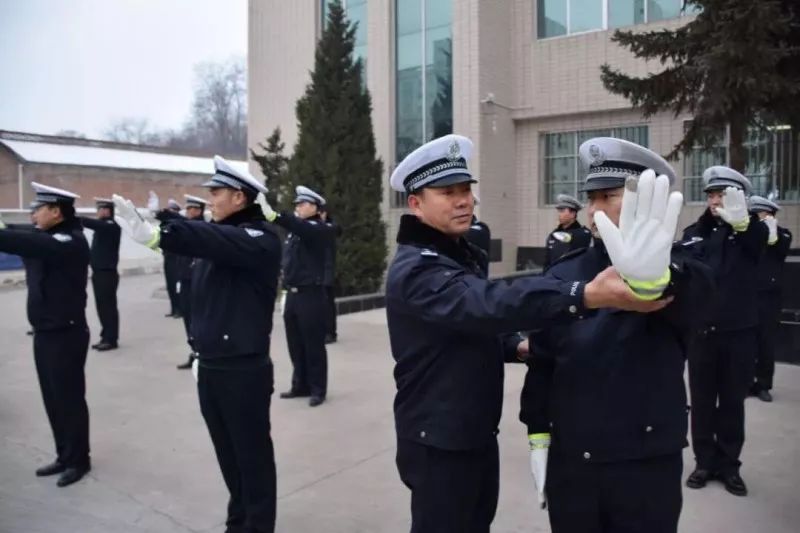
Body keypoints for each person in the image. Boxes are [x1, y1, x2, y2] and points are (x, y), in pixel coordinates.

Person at [384, 134, 671, 533]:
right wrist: (583, 294)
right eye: (448, 192)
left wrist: (518, 346)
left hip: (470, 431)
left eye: (466, 189)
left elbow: (466, 325)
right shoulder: (418, 268)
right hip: (438, 439)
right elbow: (484, 304)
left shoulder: (456, 253)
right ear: (415, 203)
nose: (464, 200)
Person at [519, 138, 714, 533]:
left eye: (609, 196)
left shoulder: (679, 267)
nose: (595, 211)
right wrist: (538, 432)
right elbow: (542, 361)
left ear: (645, 200)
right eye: (591, 198)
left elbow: (699, 302)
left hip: (644, 463)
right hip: (575, 463)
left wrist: (655, 278)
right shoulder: (565, 272)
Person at [113, 156, 282, 533]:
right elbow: (205, 242)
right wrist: (161, 221)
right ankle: (238, 521)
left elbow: (215, 239)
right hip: (211, 365)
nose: (210, 201)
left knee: (251, 458)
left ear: (240, 197)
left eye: (217, 193)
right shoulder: (220, 239)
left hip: (243, 370)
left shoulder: (259, 238)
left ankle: (258, 526)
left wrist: (160, 233)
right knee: (228, 456)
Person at [683, 166, 768, 497]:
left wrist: (743, 223)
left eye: (722, 194)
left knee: (732, 402)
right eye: (711, 195)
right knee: (703, 402)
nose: (715, 200)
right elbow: (686, 262)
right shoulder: (696, 231)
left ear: (739, 198)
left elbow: (759, 247)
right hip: (702, 332)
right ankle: (704, 462)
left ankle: (730, 465)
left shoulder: (753, 231)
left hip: (739, 332)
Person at [0, 182, 92, 487]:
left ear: (56, 211)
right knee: (52, 399)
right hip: (44, 332)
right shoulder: (44, 237)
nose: (33, 216)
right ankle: (64, 455)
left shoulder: (71, 241)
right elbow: (21, 239)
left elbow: (29, 244)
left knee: (69, 400)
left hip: (66, 334)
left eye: (38, 210)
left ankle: (79, 460)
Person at [260, 186, 334, 407]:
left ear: (314, 207)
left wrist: (276, 216)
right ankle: (300, 384)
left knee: (313, 345)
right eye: (297, 204)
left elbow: (299, 226)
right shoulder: (297, 230)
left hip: (310, 294)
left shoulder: (318, 229)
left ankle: (318, 389)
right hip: (291, 294)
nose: (298, 208)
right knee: (295, 343)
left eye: (302, 204)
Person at [154, 195, 208, 370]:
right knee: (188, 319)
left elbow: (186, 223)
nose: (189, 211)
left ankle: (203, 353)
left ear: (199, 210)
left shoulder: (203, 227)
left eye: (192, 208)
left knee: (198, 320)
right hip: (184, 279)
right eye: (188, 208)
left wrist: (168, 214)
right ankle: (194, 352)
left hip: (197, 281)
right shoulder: (186, 226)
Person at [748, 195, 792, 402]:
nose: (754, 219)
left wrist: (771, 231)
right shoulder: (749, 235)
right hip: (747, 295)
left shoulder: (783, 235)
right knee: (747, 343)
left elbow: (779, 247)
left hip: (769, 299)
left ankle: (763, 384)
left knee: (765, 343)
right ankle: (748, 382)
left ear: (769, 214)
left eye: (758, 215)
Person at [79, 198, 121, 351]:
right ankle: (105, 336)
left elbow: (94, 224)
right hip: (99, 273)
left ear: (108, 210)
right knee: (102, 307)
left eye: (101, 209)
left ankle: (111, 339)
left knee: (108, 307)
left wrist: (74, 217)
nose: (99, 212)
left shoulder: (111, 225)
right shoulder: (102, 226)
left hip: (107, 273)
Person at [543, 194, 591, 270]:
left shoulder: (582, 234)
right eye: (558, 211)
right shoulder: (553, 234)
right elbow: (547, 262)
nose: (559, 214)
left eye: (562, 211)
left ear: (573, 213)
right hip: (552, 278)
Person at [319, 205, 341, 344]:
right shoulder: (315, 227)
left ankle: (330, 332)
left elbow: (337, 229)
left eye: (321, 212)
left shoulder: (329, 227)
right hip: (317, 271)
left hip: (327, 270)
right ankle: (323, 331)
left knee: (328, 304)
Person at [161, 198, 182, 318]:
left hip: (176, 258)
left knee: (176, 285)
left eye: (171, 210)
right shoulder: (166, 224)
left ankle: (179, 309)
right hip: (167, 257)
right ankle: (173, 308)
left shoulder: (178, 223)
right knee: (170, 285)